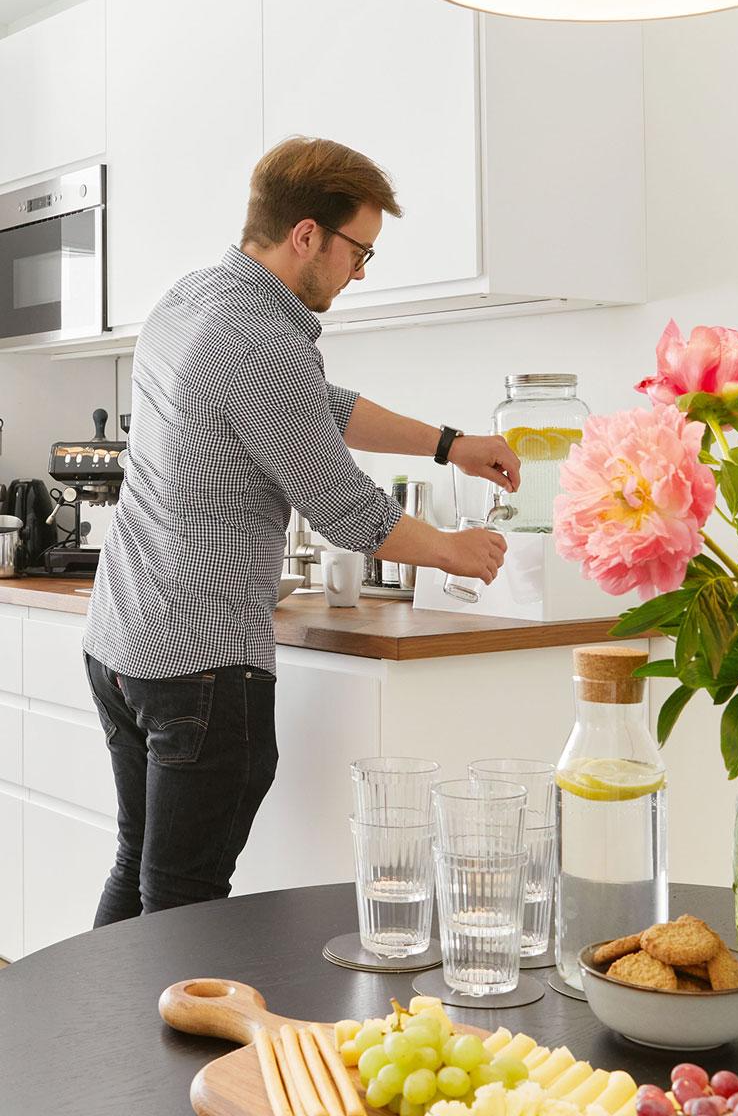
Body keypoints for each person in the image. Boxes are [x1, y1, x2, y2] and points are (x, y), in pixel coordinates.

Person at [82, 136, 519, 926]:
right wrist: (455, 549)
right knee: (184, 906)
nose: (359, 272)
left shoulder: (195, 298)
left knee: (140, 868)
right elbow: (347, 509)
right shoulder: (265, 341)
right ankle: (158, 1053)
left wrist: (451, 445)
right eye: (359, 251)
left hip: (124, 644)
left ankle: (87, 1047)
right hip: (201, 667)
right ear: (306, 235)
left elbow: (320, 403)